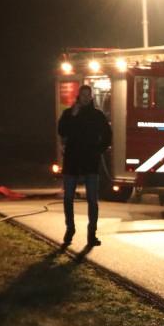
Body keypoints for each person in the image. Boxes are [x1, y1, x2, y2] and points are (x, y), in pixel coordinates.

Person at [57, 84, 112, 247]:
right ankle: (70, 229)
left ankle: (91, 234)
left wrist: (99, 150)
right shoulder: (69, 113)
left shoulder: (97, 115)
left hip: (90, 162)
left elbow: (108, 135)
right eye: (83, 95)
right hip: (72, 162)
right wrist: (72, 116)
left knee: (92, 201)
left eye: (88, 95)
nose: (86, 97)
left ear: (91, 97)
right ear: (78, 96)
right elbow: (61, 131)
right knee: (68, 198)